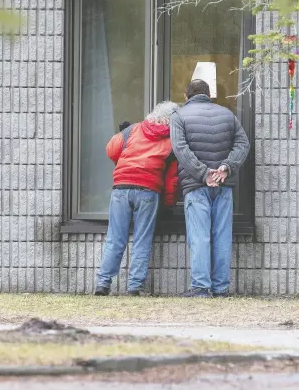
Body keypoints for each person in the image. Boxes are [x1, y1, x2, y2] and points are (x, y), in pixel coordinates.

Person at [170, 79, 250, 298]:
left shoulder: (178, 117)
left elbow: (180, 149)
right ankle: (221, 288)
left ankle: (201, 287)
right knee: (222, 236)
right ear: (209, 94)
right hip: (223, 186)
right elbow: (243, 144)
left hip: (196, 186)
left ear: (187, 95)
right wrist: (226, 167)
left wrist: (203, 173)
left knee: (199, 237)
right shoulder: (227, 114)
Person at [95, 101, 179, 296]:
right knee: (142, 239)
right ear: (170, 120)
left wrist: (126, 165)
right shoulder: (172, 142)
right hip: (148, 191)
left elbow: (111, 149)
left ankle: (103, 283)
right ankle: (134, 287)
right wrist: (167, 203)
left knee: (115, 238)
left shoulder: (133, 130)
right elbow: (172, 181)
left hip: (121, 187)